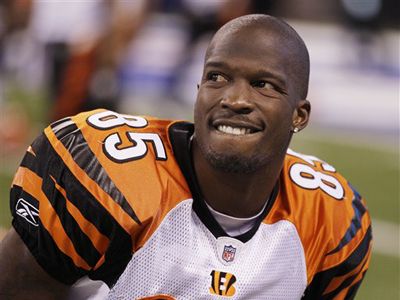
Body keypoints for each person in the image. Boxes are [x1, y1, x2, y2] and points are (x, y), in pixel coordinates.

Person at [0, 14, 372, 299]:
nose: (234, 99)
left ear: (299, 115)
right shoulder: (106, 177)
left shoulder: (331, 220)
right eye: (217, 78)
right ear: (198, 90)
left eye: (263, 85)